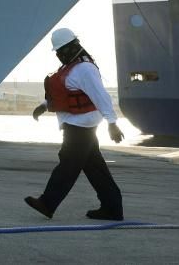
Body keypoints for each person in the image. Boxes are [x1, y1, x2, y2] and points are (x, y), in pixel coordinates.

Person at [25, 27, 125, 221]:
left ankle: (47, 203)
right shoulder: (70, 68)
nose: (60, 54)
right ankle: (112, 208)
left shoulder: (85, 69)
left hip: (81, 126)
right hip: (77, 124)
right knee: (95, 168)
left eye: (62, 50)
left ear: (73, 47)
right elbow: (64, 93)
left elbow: (101, 96)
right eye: (58, 51)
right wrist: (44, 106)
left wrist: (112, 123)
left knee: (68, 164)